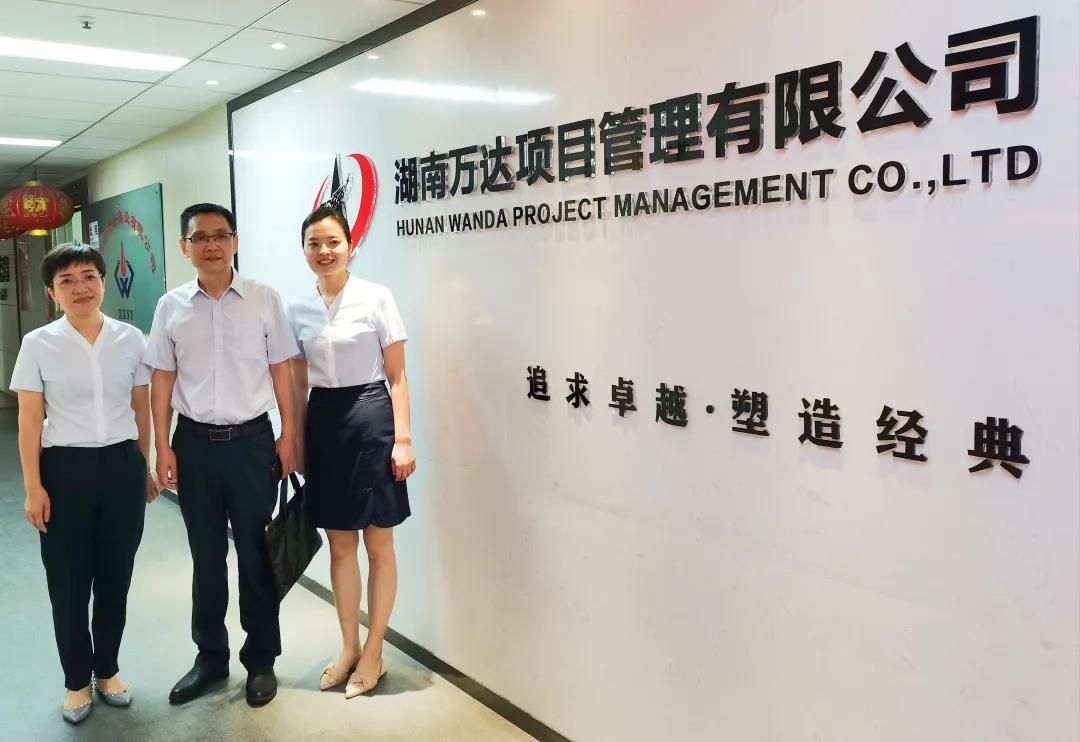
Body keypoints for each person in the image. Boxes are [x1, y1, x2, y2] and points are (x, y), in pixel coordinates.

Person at [144, 203, 298, 708]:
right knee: (206, 557)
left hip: (252, 444)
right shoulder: (170, 306)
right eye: (200, 237)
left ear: (235, 241)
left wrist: (289, 434)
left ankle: (261, 659)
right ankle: (210, 658)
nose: (211, 244)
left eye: (221, 235)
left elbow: (281, 370)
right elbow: (162, 378)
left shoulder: (263, 299)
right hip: (194, 446)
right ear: (184, 247)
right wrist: (162, 444)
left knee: (256, 554)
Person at [12, 242, 159, 724]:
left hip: (121, 466)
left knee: (116, 575)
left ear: (103, 281)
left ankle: (108, 669)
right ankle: (77, 680)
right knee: (69, 582)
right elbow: (29, 420)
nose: (80, 288)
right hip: (64, 470)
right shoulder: (38, 344)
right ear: (52, 292)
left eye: (89, 277)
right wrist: (33, 486)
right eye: (67, 281)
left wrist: (145, 465)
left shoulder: (130, 338)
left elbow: (140, 406)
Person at [287, 204, 415, 698]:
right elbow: (298, 384)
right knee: (340, 545)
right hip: (323, 422)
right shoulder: (297, 308)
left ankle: (375, 650)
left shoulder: (377, 297)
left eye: (333, 242)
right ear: (304, 251)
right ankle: (348, 647)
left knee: (378, 544)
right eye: (314, 243)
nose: (324, 251)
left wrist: (403, 440)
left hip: (372, 419)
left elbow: (398, 376)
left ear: (350, 245)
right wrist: (297, 439)